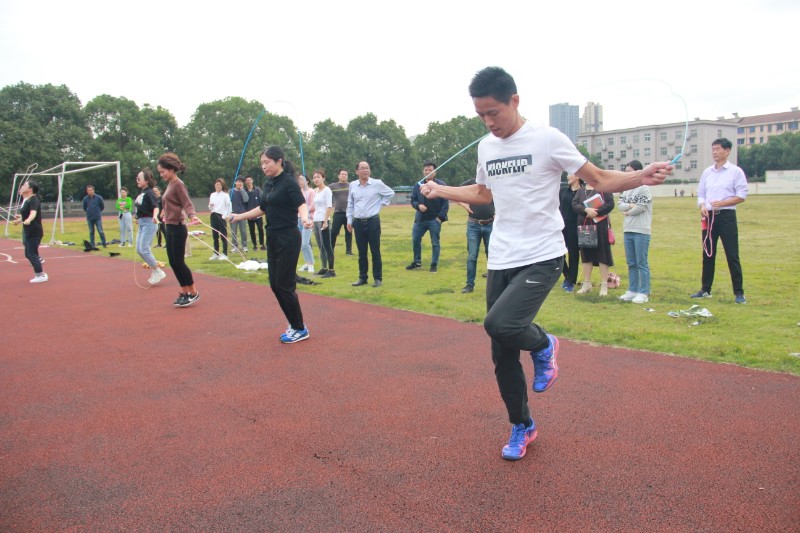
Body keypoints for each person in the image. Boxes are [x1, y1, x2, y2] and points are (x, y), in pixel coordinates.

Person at [420, 66, 671, 461]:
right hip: (502, 254)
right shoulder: (488, 147)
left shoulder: (548, 139)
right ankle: (522, 426)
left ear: (514, 101)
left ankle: (545, 343)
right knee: (501, 350)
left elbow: (600, 179)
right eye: (481, 115)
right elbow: (484, 192)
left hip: (542, 255)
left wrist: (640, 176)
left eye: (494, 113)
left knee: (501, 324)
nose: (489, 123)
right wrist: (442, 189)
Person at [230, 145, 313, 344]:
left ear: (279, 161)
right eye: (262, 163)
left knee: (284, 285)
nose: (264, 166)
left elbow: (300, 203)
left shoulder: (289, 183)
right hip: (273, 237)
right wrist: (239, 216)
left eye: (267, 162)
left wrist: (305, 218)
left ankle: (300, 328)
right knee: (275, 285)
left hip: (288, 237)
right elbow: (262, 208)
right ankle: (294, 324)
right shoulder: (269, 184)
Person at [691, 138, 748, 304]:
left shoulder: (735, 172)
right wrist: (702, 205)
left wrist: (723, 203)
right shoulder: (707, 172)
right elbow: (701, 193)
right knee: (708, 253)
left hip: (726, 216)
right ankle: (705, 289)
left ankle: (739, 292)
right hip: (709, 217)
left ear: (727, 150)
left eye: (717, 149)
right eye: (713, 149)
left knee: (732, 255)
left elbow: (741, 196)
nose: (714, 152)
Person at [158, 153, 201, 307]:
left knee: (179, 262)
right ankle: (184, 291)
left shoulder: (178, 184)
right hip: (169, 226)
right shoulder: (169, 184)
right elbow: (169, 204)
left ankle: (193, 292)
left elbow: (187, 203)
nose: (161, 175)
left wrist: (192, 216)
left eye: (163, 172)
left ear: (171, 169)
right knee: (173, 262)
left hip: (177, 227)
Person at [347, 161, 395, 287]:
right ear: (357, 171)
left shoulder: (377, 183)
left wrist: (380, 205)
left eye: (367, 168)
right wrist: (349, 220)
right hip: (358, 222)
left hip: (372, 221)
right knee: (361, 252)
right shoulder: (353, 185)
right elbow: (350, 204)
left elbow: (390, 193)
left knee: (375, 250)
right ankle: (363, 277)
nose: (365, 171)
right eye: (362, 168)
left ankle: (378, 278)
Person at [617, 160, 652, 304]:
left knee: (641, 262)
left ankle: (643, 292)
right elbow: (620, 205)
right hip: (628, 229)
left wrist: (629, 211)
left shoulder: (644, 189)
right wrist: (630, 206)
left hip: (641, 230)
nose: (627, 174)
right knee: (631, 262)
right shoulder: (626, 189)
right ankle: (632, 290)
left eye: (629, 171)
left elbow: (641, 207)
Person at [573, 180, 615, 296]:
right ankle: (587, 283)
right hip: (585, 225)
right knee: (586, 254)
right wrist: (586, 210)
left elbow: (610, 204)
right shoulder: (581, 190)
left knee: (603, 254)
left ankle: (604, 284)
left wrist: (596, 212)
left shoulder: (604, 187)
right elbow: (575, 204)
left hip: (600, 224)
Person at [406, 162, 449, 273]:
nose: (427, 172)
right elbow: (413, 200)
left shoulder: (440, 185)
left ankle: (434, 264)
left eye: (430, 170)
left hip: (434, 220)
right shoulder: (418, 185)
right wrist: (418, 206)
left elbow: (445, 203)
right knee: (416, 240)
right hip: (420, 219)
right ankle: (417, 262)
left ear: (435, 172)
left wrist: (440, 218)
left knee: (435, 242)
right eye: (425, 170)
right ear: (423, 171)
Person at [458, 177, 494, 294]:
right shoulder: (470, 183)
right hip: (473, 225)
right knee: (472, 256)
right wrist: (464, 205)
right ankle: (469, 285)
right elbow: (456, 192)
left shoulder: (493, 180)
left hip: (490, 224)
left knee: (492, 255)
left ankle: (493, 286)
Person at [133, 168, 167, 284]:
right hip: (142, 223)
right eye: (137, 178)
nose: (137, 180)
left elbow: (156, 207)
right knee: (139, 249)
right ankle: (155, 270)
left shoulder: (150, 193)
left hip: (149, 223)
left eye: (139, 178)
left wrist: (155, 216)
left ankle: (158, 271)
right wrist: (137, 217)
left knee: (144, 249)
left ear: (147, 180)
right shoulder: (142, 193)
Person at [12, 180, 47, 283]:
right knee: (28, 254)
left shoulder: (34, 199)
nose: (23, 186)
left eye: (25, 185)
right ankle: (40, 273)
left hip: (34, 231)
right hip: (28, 231)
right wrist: (20, 220)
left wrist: (28, 220)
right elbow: (26, 214)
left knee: (32, 254)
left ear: (30, 189)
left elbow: (33, 213)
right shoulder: (27, 200)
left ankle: (40, 275)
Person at [559, 174, 581, 292]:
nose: (567, 176)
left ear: (577, 176)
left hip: (575, 226)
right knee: (558, 252)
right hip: (561, 225)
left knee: (573, 253)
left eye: (570, 174)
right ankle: (567, 275)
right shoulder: (562, 191)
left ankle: (571, 281)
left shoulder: (582, 192)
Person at [311, 169, 336, 278]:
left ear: (323, 178)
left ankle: (331, 270)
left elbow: (329, 206)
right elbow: (315, 207)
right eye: (315, 177)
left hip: (323, 220)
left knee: (327, 246)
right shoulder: (316, 191)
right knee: (321, 246)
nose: (316, 179)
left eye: (318, 177)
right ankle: (324, 267)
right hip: (316, 220)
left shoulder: (327, 190)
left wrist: (325, 221)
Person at [329, 169, 353, 255]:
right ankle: (331, 249)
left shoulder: (351, 186)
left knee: (349, 232)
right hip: (338, 212)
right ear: (338, 176)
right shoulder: (333, 186)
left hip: (349, 213)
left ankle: (349, 251)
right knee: (334, 232)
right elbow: (324, 191)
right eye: (342, 174)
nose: (344, 176)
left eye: (346, 174)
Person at [208, 178, 231, 261]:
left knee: (223, 235)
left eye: (219, 185)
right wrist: (210, 205)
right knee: (215, 236)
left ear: (222, 186)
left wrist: (224, 216)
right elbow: (210, 208)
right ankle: (216, 253)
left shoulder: (225, 195)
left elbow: (228, 207)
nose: (217, 186)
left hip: (221, 216)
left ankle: (225, 253)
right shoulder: (212, 195)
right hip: (213, 215)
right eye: (216, 184)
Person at [297, 174, 316, 274]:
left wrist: (303, 209)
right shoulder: (298, 192)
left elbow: (313, 206)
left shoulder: (311, 191)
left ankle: (311, 264)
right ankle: (307, 263)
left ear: (307, 181)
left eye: (302, 179)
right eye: (299, 180)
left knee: (305, 243)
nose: (300, 181)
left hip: (308, 219)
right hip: (298, 219)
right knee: (301, 244)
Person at [244, 176, 265, 251]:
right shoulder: (244, 191)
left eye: (249, 180)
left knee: (260, 228)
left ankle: (262, 244)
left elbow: (262, 199)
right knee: (252, 230)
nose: (248, 181)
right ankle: (255, 245)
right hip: (250, 214)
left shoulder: (257, 190)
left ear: (252, 181)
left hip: (258, 214)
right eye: (247, 180)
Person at [229, 176, 249, 253]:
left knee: (243, 231)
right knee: (233, 231)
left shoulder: (243, 191)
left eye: (241, 182)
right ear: (235, 182)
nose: (239, 183)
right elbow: (228, 202)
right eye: (238, 181)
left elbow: (246, 199)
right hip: (233, 214)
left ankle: (244, 246)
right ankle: (234, 246)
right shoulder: (231, 191)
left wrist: (242, 190)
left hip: (242, 214)